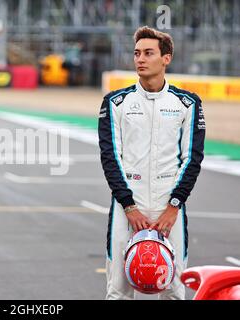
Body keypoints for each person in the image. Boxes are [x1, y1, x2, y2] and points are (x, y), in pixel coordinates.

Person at [98, 26, 205, 300]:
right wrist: (128, 206)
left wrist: (173, 206)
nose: (140, 59)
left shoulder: (188, 103)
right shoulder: (115, 103)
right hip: (127, 206)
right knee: (118, 290)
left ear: (165, 58)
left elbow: (192, 158)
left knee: (173, 289)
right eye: (136, 53)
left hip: (168, 205)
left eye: (148, 53)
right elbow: (110, 158)